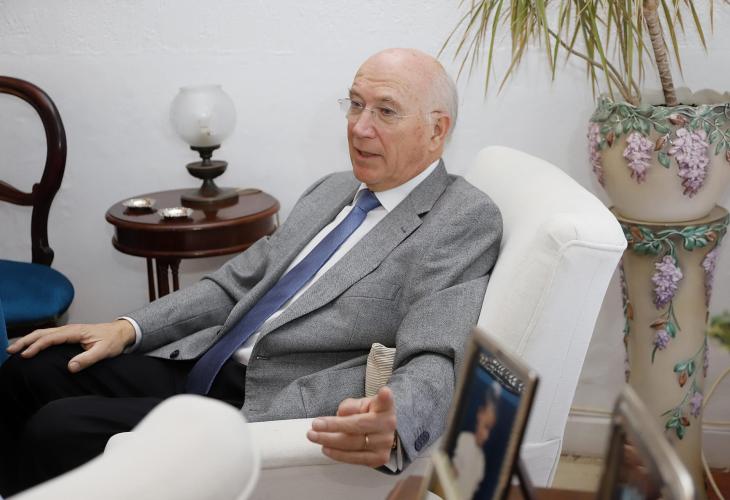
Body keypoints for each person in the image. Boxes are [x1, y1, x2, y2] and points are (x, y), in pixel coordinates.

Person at [0, 47, 502, 495]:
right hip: (203, 361)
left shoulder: (461, 219)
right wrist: (126, 328)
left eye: (385, 111)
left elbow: (435, 351)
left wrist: (397, 423)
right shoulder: (332, 189)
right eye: (355, 104)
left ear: (437, 130)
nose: (359, 127)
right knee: (30, 368)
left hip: (262, 402)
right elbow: (232, 284)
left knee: (58, 429)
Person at [452, 383, 500, 499]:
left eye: (490, 429)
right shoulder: (464, 440)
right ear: (479, 414)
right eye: (486, 426)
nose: (486, 435)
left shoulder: (481, 461)